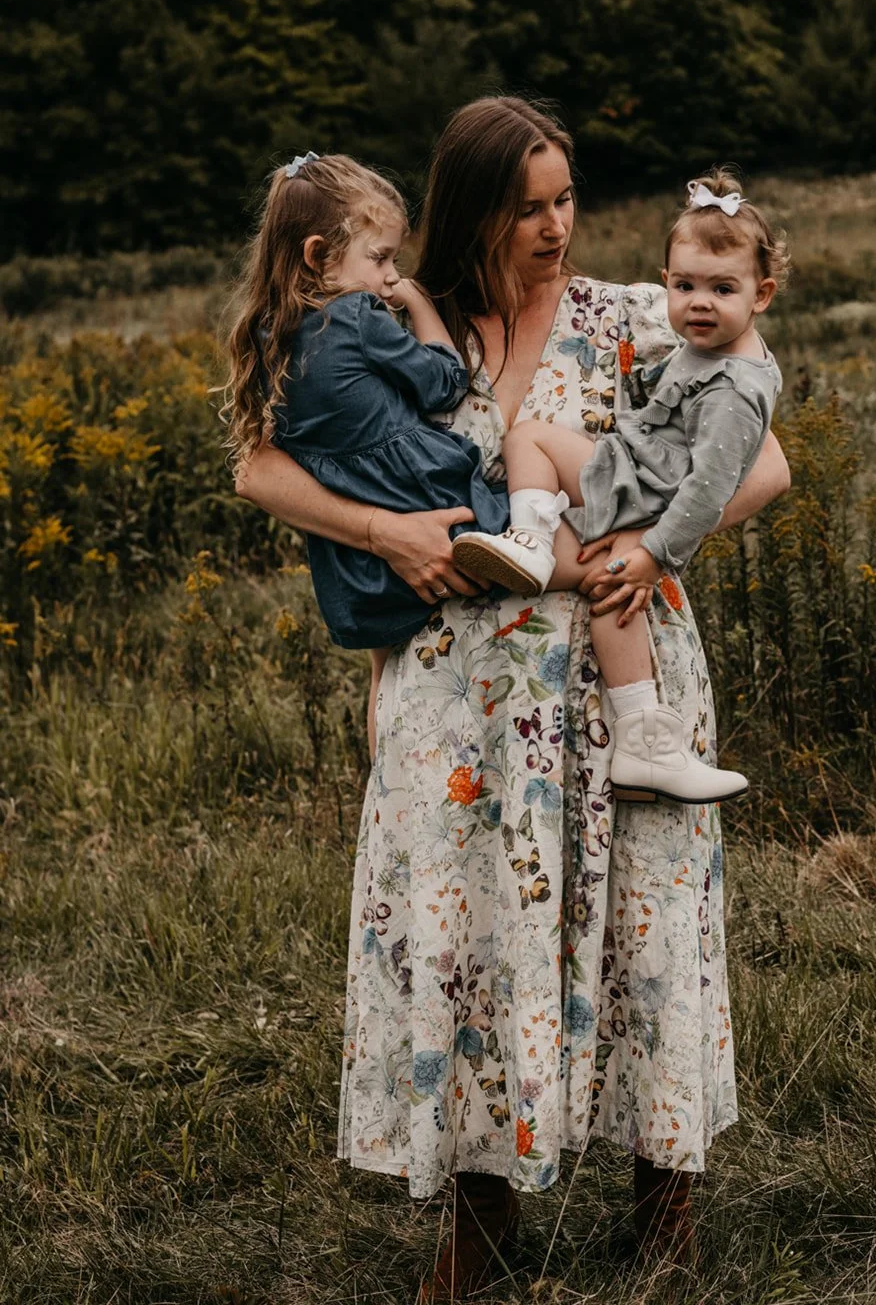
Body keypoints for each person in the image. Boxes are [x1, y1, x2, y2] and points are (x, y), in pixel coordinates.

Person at [235, 98, 791, 1297]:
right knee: (473, 941)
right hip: (463, 689)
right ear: (471, 209)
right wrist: (382, 530)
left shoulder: (637, 319)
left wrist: (645, 540)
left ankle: (663, 1213)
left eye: (564, 199)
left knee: (647, 924)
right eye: (526, 206)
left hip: (618, 663)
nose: (553, 226)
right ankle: (478, 1226)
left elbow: (764, 460)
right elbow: (260, 462)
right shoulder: (394, 315)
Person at [453, 169, 787, 807]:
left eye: (722, 289)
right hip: (634, 471)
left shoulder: (734, 387)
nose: (700, 303)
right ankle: (531, 539)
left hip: (646, 491)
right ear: (667, 281)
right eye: (685, 286)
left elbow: (713, 488)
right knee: (538, 450)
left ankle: (642, 735)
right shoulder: (704, 345)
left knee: (602, 568)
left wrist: (653, 550)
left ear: (761, 294)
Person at [220, 150, 508, 674]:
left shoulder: (270, 336)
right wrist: (417, 302)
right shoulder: (355, 315)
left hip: (356, 570)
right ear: (317, 255)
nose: (391, 277)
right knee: (551, 532)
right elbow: (444, 384)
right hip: (426, 497)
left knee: (388, 674)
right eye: (380, 259)